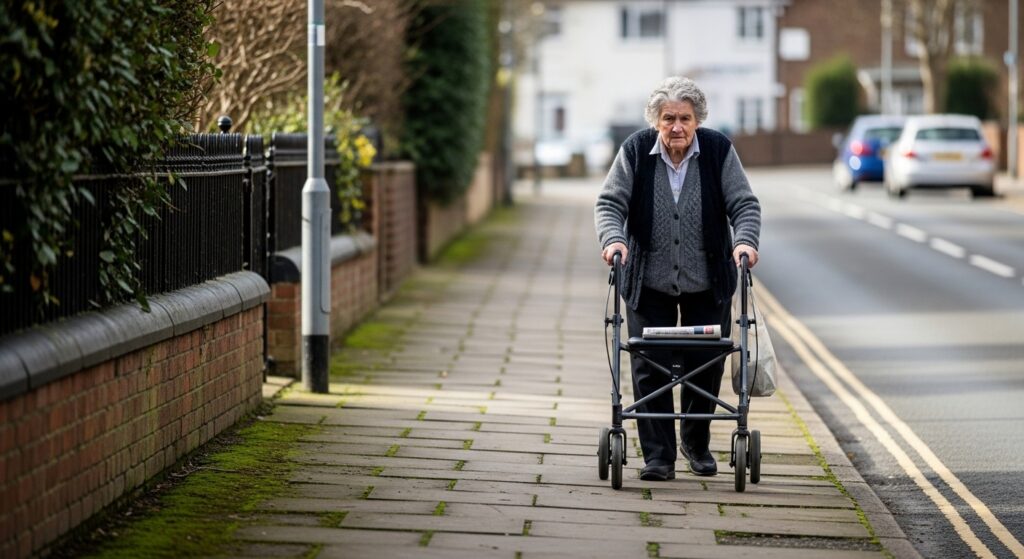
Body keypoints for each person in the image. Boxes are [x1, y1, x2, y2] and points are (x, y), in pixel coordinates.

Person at [594, 76, 761, 481]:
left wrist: (744, 242)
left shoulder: (719, 150)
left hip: (708, 281)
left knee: (704, 364)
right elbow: (609, 202)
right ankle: (658, 457)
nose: (677, 127)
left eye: (685, 118)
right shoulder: (635, 151)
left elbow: (744, 203)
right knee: (649, 366)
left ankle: (696, 444)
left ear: (697, 120)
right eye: (668, 118)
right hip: (647, 282)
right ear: (656, 121)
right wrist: (615, 240)